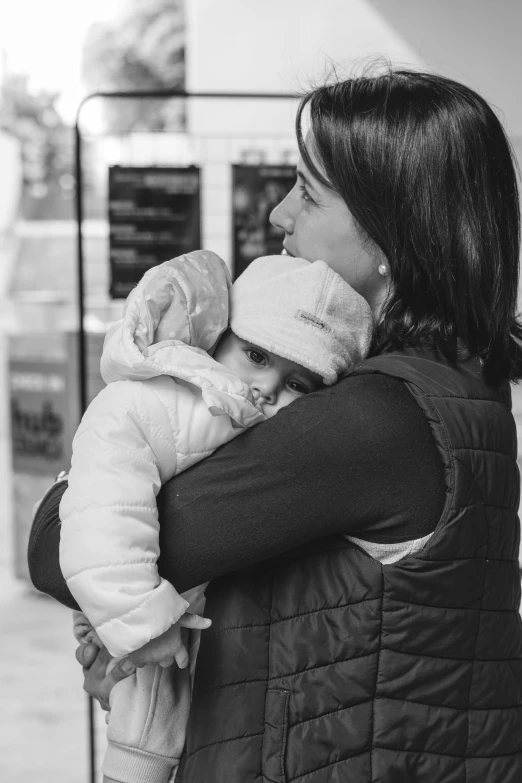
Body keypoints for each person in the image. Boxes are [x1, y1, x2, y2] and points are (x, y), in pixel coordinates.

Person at [28, 66, 522, 783]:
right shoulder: (459, 390)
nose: (279, 215)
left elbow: (56, 545)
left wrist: (137, 419)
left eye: (308, 192)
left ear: (391, 234)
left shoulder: (371, 420)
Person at [58, 249, 373, 783]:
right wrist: (135, 616)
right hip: (140, 607)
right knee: (140, 744)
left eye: (298, 384)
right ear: (218, 337)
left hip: (186, 631)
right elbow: (103, 497)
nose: (269, 387)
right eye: (255, 355)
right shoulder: (162, 401)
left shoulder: (261, 432)